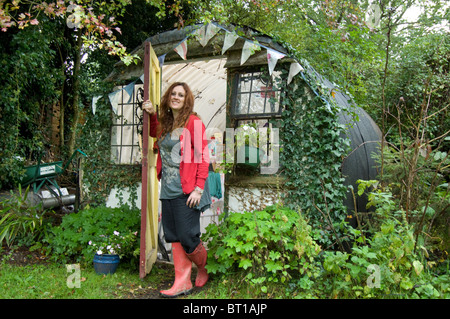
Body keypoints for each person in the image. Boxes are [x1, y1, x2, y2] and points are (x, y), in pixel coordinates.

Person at [142, 82, 211, 297]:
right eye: (173, 93)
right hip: (168, 189)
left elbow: (203, 156)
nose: (176, 97)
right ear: (168, 97)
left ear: (187, 99)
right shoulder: (167, 123)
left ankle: (203, 268)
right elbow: (155, 133)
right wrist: (153, 115)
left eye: (181, 95)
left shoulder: (194, 122)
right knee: (173, 236)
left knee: (188, 236)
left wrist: (198, 189)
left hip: (189, 189)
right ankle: (182, 282)